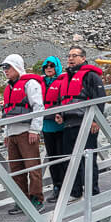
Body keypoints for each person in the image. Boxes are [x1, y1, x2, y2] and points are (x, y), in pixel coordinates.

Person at [55, 46, 105, 201]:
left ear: (83, 58)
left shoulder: (91, 76)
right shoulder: (65, 78)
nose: (70, 59)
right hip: (69, 124)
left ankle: (92, 190)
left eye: (74, 56)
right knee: (70, 158)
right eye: (69, 56)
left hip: (86, 122)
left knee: (88, 157)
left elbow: (100, 98)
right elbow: (61, 100)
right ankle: (76, 191)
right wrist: (60, 114)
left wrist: (96, 120)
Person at [0, 54, 46, 214]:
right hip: (12, 133)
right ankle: (22, 199)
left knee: (32, 167)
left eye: (8, 67)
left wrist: (34, 129)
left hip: (26, 132)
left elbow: (38, 107)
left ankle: (37, 198)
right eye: (4, 68)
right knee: (16, 169)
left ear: (17, 66)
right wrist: (6, 133)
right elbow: (8, 112)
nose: (5, 71)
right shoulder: (9, 88)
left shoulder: (30, 84)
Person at [40, 56, 66, 203]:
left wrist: (61, 114)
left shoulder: (62, 81)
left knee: (63, 156)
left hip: (60, 125)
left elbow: (65, 99)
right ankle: (57, 186)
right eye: (46, 66)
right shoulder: (41, 83)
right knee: (53, 158)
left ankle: (66, 186)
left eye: (51, 65)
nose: (49, 68)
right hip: (46, 126)